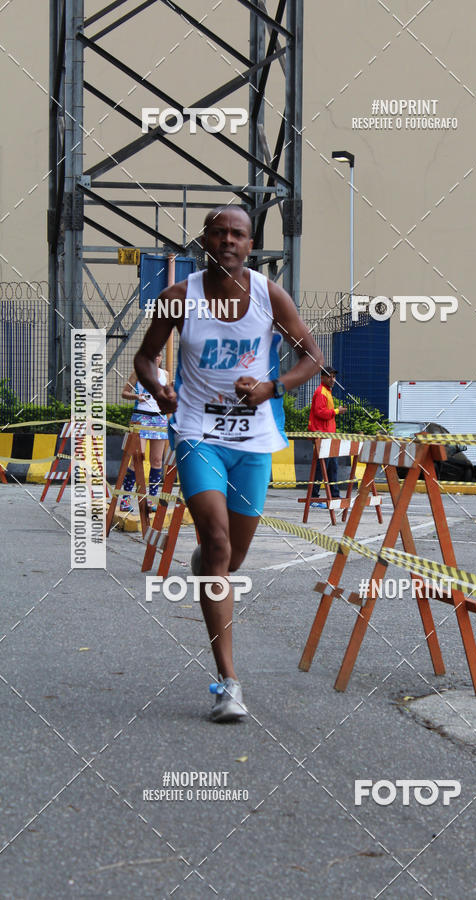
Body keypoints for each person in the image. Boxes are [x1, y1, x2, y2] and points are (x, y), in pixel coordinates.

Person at [133, 206, 323, 722]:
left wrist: (273, 387)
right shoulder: (179, 298)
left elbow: (312, 354)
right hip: (198, 434)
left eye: (238, 234)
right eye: (218, 233)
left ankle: (208, 567)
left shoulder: (267, 295)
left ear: (250, 243)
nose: (228, 241)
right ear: (205, 240)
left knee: (232, 559)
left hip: (254, 441)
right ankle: (228, 683)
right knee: (215, 543)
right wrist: (158, 387)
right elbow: (145, 357)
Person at [120, 353, 168, 513]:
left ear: (161, 358)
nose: (156, 358)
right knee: (137, 459)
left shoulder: (165, 374)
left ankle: (151, 500)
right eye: (153, 354)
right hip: (140, 418)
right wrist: (136, 396)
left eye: (159, 355)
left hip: (159, 419)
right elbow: (124, 393)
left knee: (156, 460)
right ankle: (125, 499)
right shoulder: (138, 373)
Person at [308, 366, 347, 505]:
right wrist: (337, 411)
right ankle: (313, 497)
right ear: (322, 378)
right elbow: (320, 412)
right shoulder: (321, 392)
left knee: (331, 467)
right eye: (330, 377)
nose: (333, 380)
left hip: (328, 436)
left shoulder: (326, 392)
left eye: (334, 377)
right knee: (321, 467)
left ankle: (334, 495)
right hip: (322, 436)